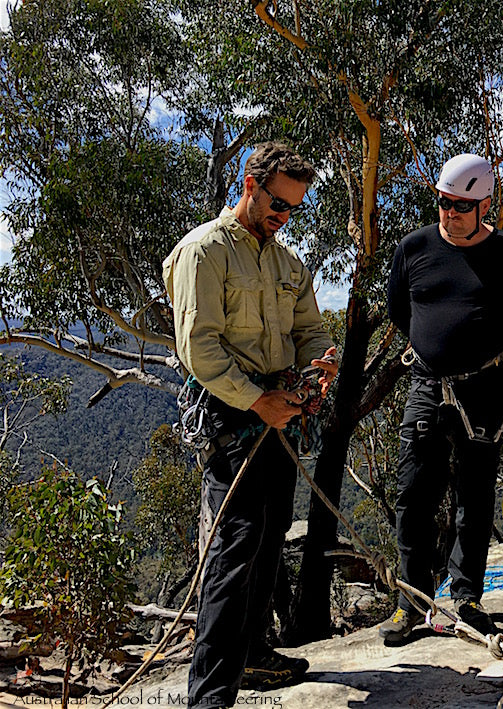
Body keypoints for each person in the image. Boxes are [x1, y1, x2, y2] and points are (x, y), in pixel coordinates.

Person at [163, 142, 338, 709]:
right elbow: (199, 348)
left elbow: (309, 329)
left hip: (279, 410)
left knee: (270, 538)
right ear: (250, 184)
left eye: (292, 209)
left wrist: (322, 362)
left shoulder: (288, 265)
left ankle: (257, 654)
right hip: (231, 413)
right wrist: (257, 400)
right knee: (235, 547)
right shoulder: (204, 253)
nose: (282, 217)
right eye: (277, 203)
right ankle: (209, 697)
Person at [381, 153, 503, 643]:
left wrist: (483, 350)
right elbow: (399, 312)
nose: (449, 212)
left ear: (484, 204)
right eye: (444, 203)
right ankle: (412, 603)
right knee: (414, 495)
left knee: (475, 495)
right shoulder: (414, 248)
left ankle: (467, 598)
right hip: (428, 385)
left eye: (460, 205)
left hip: (485, 388)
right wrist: (437, 347)